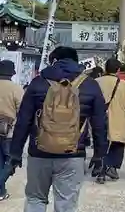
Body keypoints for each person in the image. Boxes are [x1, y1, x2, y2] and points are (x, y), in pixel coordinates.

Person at [8, 46, 107, 212]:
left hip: (39, 153)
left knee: (35, 199)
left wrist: (15, 153)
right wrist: (99, 154)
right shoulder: (90, 85)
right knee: (66, 204)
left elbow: (23, 121)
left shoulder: (38, 83)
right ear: (75, 61)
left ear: (54, 60)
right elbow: (100, 123)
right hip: (73, 154)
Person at [95, 58, 125, 182]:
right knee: (118, 144)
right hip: (119, 120)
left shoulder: (96, 82)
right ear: (118, 70)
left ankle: (101, 171)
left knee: (101, 145)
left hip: (99, 118)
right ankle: (111, 166)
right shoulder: (124, 85)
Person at [0, 60, 23, 201]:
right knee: (10, 160)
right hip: (8, 131)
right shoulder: (16, 89)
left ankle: (1, 192)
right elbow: (23, 112)